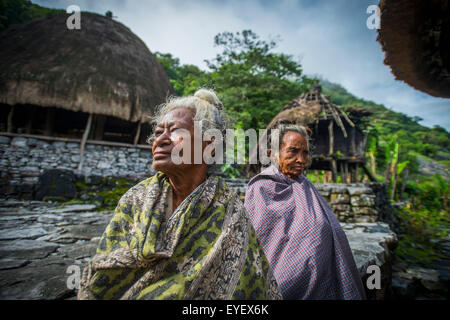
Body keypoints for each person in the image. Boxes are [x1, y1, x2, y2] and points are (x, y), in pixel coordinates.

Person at [78, 89, 282, 300]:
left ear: (210, 145)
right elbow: (102, 271)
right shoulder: (135, 199)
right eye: (158, 133)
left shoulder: (231, 214)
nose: (160, 140)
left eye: (175, 131)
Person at [244, 122, 366, 300]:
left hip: (322, 276)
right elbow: (262, 240)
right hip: (280, 278)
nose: (301, 159)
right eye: (293, 151)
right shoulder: (261, 187)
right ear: (273, 154)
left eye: (305, 153)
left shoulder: (304, 184)